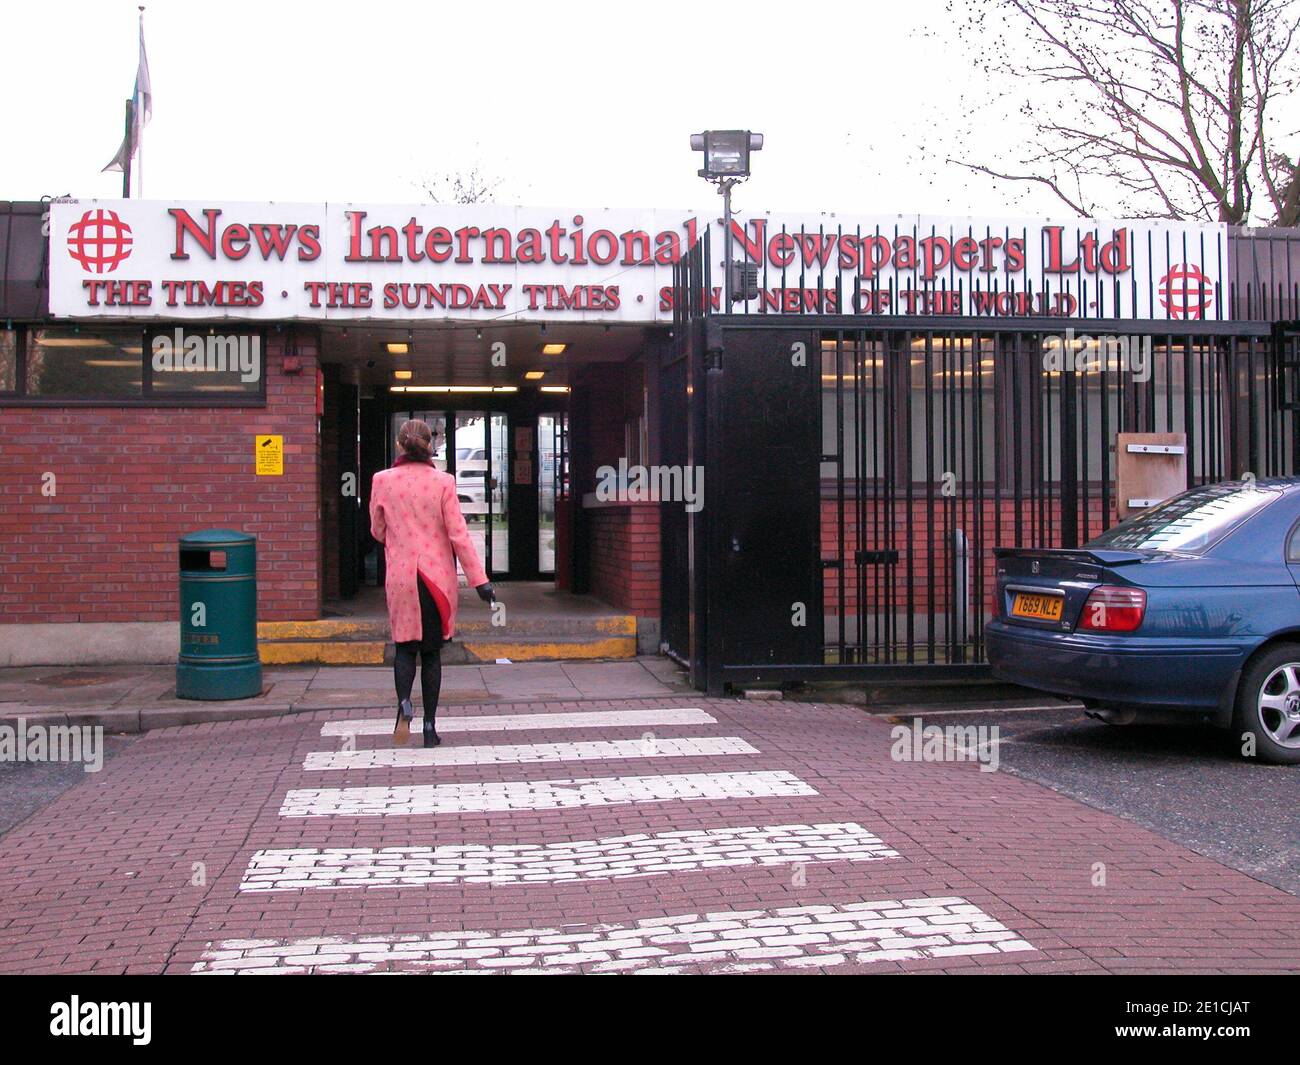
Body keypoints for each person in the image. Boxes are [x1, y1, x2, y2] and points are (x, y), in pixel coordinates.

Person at [369, 419, 495, 747]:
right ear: (430, 445)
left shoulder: (382, 481)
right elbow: (458, 536)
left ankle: (403, 706)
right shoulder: (443, 482)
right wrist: (480, 581)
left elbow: (377, 530)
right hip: (436, 580)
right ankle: (429, 726)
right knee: (432, 653)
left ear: (399, 445)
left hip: (401, 578)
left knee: (404, 648)